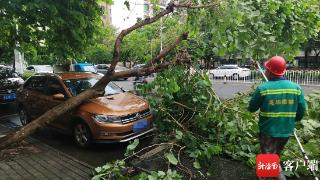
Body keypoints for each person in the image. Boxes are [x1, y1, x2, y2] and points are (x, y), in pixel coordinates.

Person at [248, 56, 306, 180]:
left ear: (269, 72)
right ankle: (264, 175)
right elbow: (301, 112)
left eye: (266, 69)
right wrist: (290, 120)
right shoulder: (296, 88)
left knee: (270, 159)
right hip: (286, 131)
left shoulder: (263, 88)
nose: (265, 71)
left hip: (268, 132)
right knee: (274, 156)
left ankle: (276, 177)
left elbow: (251, 108)